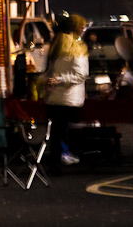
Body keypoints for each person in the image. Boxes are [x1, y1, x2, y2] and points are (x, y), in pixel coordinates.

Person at [43, 12, 89, 168]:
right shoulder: (77, 49)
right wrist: (59, 79)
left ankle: (58, 157)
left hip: (54, 97)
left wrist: (50, 81)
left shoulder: (56, 46)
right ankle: (63, 154)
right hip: (69, 98)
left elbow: (48, 72)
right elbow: (81, 74)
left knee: (57, 130)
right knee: (61, 129)